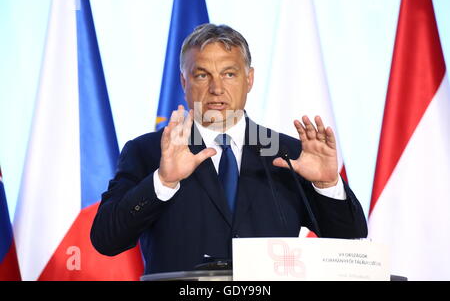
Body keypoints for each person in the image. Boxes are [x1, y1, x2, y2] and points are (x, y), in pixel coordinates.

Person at [90, 23, 367, 275]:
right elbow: (106, 239)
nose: (216, 88)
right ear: (184, 82)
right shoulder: (148, 152)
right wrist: (163, 182)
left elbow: (349, 241)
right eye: (202, 75)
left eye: (229, 74)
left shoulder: (288, 153)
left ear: (249, 79)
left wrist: (327, 184)